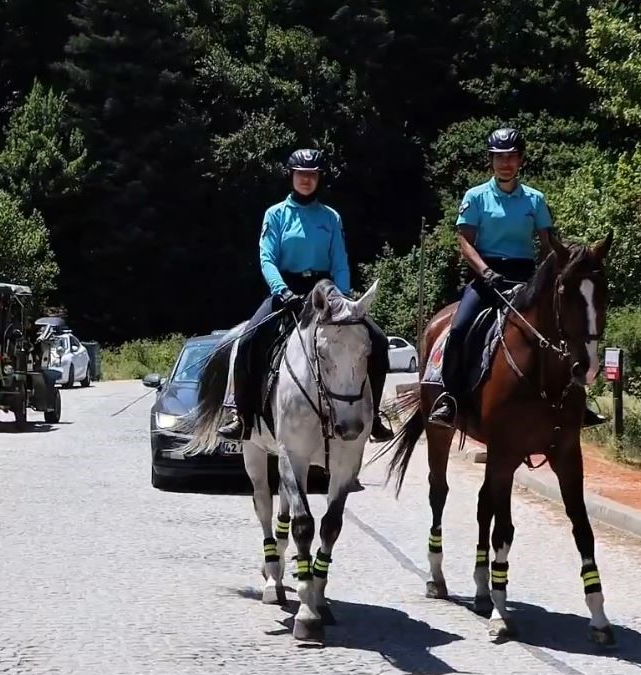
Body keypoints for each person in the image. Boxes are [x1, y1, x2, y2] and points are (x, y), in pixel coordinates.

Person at [430, 127, 606, 428]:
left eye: (511, 156)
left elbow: (550, 244)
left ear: (520, 160)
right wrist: (485, 271)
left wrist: (557, 273)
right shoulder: (476, 198)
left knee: (564, 326)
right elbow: (465, 242)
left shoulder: (535, 200)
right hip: (487, 278)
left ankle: (577, 400)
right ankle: (450, 398)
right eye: (499, 157)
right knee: (459, 328)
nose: (505, 163)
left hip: (527, 277)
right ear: (491, 160)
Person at [219, 148, 394, 443]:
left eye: (312, 175)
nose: (306, 180)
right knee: (249, 339)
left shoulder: (330, 217)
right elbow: (267, 259)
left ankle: (373, 415)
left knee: (376, 338)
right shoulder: (275, 215)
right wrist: (282, 290)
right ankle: (241, 415)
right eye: (301, 174)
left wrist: (345, 299)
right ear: (292, 176)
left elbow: (339, 260)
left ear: (318, 179)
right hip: (286, 288)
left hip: (326, 291)